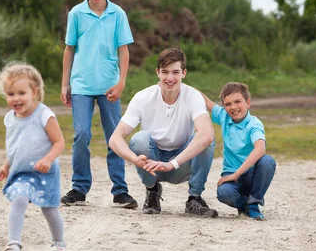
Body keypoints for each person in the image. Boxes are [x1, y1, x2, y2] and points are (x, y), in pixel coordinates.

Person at [60, 0, 137, 209]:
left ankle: (120, 191)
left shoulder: (118, 14)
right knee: (81, 134)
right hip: (81, 83)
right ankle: (79, 188)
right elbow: (69, 49)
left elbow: (123, 50)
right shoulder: (76, 14)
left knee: (115, 137)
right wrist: (65, 84)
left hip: (109, 85)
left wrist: (121, 81)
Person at [108, 47, 218, 217]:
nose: (170, 78)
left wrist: (172, 163)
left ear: (184, 73)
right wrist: (135, 160)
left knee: (207, 139)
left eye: (175, 72)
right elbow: (115, 139)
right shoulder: (142, 97)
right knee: (139, 139)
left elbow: (207, 134)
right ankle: (152, 191)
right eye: (165, 72)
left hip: (181, 164)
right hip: (152, 164)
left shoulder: (193, 96)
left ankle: (194, 198)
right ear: (157, 73)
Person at [0, 62, 67, 251]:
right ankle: (14, 242)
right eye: (10, 94)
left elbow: (59, 142)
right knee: (19, 199)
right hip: (22, 172)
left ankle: (59, 242)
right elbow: (16, 146)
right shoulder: (10, 118)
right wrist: (7, 164)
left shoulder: (44, 115)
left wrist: (48, 159)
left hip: (45, 172)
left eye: (21, 93)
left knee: (49, 208)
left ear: (34, 92)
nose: (16, 99)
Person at [201, 82, 276, 221]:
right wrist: (178, 85)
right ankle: (245, 205)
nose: (233, 107)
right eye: (228, 104)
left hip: (250, 175)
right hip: (231, 174)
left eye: (237, 102)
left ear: (248, 103)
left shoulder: (254, 124)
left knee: (267, 161)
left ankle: (254, 204)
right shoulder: (224, 116)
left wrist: (237, 174)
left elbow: (260, 149)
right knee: (223, 193)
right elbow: (206, 101)